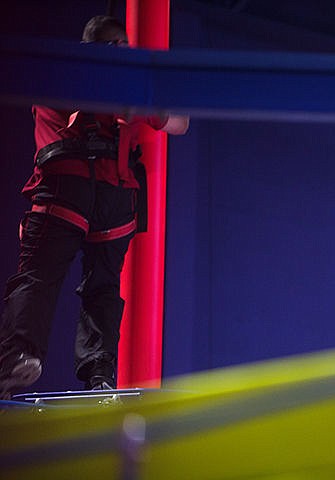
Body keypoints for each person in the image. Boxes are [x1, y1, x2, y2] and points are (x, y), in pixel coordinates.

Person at [0, 15, 189, 399]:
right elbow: (179, 123)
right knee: (102, 288)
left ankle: (18, 355)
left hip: (66, 190)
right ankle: (99, 374)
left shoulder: (57, 70)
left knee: (39, 277)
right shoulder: (126, 81)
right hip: (113, 196)